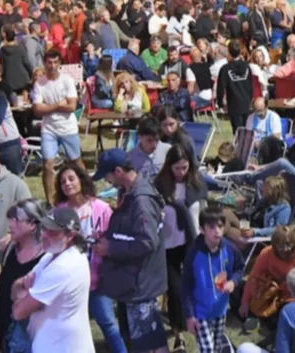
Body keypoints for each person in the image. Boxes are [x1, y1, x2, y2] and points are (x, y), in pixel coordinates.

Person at [92, 148, 169, 353]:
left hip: (141, 284)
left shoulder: (140, 200)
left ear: (118, 171)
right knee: (150, 339)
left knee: (148, 343)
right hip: (136, 281)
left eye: (107, 175)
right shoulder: (131, 192)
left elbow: (147, 242)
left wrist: (111, 248)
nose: (106, 181)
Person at [53, 162, 125, 353]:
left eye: (71, 179)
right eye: (62, 182)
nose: (67, 184)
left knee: (108, 323)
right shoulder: (58, 212)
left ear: (81, 180)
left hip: (97, 279)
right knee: (71, 328)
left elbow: (113, 237)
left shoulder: (100, 208)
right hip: (70, 281)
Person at [12, 207, 97, 353]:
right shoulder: (51, 256)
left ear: (70, 235)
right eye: (44, 228)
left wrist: (23, 294)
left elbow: (19, 312)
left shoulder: (62, 267)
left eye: (52, 231)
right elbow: (17, 284)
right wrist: (25, 292)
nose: (44, 234)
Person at [155, 143, 207, 352]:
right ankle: (178, 335)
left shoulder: (196, 182)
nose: (181, 172)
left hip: (190, 243)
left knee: (190, 287)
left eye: (185, 167)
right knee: (176, 290)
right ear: (169, 167)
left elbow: (203, 210)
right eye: (177, 168)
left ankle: (188, 322)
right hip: (167, 246)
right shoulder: (160, 185)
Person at [181, 206, 244, 353]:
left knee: (216, 347)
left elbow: (240, 267)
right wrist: (190, 315)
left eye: (220, 226)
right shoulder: (193, 254)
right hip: (200, 312)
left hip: (221, 309)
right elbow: (186, 287)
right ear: (202, 229)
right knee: (208, 350)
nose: (217, 231)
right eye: (211, 227)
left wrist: (233, 281)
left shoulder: (230, 248)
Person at [32, 49, 83, 201]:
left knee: (76, 162)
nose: (52, 66)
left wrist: (48, 107)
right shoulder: (39, 84)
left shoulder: (67, 80)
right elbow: (37, 110)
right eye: (49, 62)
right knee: (47, 164)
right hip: (49, 129)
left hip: (68, 128)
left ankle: (86, 192)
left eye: (55, 62)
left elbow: (72, 107)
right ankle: (49, 200)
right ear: (44, 63)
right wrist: (57, 105)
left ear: (59, 63)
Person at [0, 199, 46, 352]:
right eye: (10, 219)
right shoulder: (9, 249)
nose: (10, 224)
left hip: (33, 337)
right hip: (7, 332)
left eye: (16, 220)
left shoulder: (46, 259)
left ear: (32, 224)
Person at [216, 40, 254, 134]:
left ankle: (241, 148)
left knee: (238, 132)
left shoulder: (225, 69)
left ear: (229, 51)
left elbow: (220, 88)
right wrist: (250, 99)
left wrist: (220, 103)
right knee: (247, 130)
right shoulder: (247, 67)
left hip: (234, 103)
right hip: (246, 102)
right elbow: (251, 85)